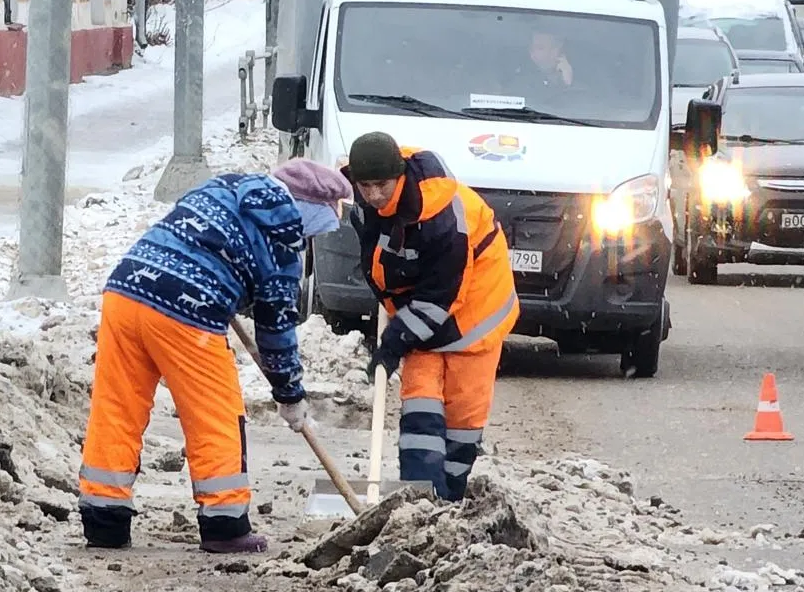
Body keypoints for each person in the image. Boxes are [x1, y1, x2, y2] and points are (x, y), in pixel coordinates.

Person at [77, 158, 352, 554]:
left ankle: (104, 522)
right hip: (187, 315)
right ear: (309, 212)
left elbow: (191, 231)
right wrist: (289, 396)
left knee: (117, 407)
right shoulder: (282, 249)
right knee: (215, 413)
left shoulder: (225, 186)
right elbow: (276, 333)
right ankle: (225, 524)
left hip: (125, 291)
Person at [344, 131, 519, 502]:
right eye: (365, 185)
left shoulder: (444, 218)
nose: (374, 195)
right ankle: (421, 503)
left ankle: (451, 499)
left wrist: (395, 340)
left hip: (475, 313)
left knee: (461, 425)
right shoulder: (367, 207)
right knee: (419, 413)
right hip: (423, 312)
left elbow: (442, 294)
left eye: (382, 185)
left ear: (400, 176)